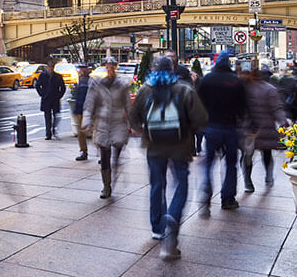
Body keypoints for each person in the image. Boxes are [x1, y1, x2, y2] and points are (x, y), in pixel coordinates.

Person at [130, 56, 207, 261]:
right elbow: (200, 119)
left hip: (154, 146)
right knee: (181, 183)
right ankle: (172, 219)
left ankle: (157, 227)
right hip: (180, 146)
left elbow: (134, 121)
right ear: (173, 69)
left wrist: (146, 129)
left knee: (157, 184)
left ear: (154, 68)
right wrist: (188, 130)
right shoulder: (184, 89)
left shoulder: (145, 90)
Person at [197, 50, 247, 212]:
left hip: (211, 127)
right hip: (230, 128)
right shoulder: (235, 81)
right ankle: (228, 198)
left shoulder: (207, 80)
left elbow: (198, 104)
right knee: (231, 164)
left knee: (208, 161)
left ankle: (206, 187)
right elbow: (242, 109)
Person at [82, 57, 131, 199]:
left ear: (115, 67)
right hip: (103, 124)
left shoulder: (122, 85)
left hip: (118, 122)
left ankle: (115, 167)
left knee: (117, 149)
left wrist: (134, 122)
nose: (110, 69)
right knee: (104, 154)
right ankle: (106, 185)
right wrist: (87, 120)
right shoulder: (97, 84)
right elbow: (90, 103)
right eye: (108, 66)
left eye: (113, 66)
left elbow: (127, 104)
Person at [242, 61, 287, 192]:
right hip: (266, 128)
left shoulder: (246, 89)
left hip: (250, 130)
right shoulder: (270, 89)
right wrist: (283, 122)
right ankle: (268, 176)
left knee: (248, 155)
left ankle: (248, 182)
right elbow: (277, 109)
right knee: (266, 153)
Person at [36, 57, 65, 140]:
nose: (51, 68)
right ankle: (48, 133)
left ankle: (53, 130)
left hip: (55, 99)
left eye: (52, 67)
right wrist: (42, 94)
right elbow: (38, 85)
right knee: (47, 117)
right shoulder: (43, 75)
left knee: (56, 115)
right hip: (46, 99)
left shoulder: (58, 76)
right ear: (47, 67)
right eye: (49, 67)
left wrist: (59, 96)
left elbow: (62, 88)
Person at [71, 63, 91, 161]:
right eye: (81, 69)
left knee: (96, 132)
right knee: (80, 132)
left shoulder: (91, 81)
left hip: (89, 110)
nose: (82, 71)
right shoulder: (79, 80)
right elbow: (78, 96)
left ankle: (102, 153)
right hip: (80, 109)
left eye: (84, 69)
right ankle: (83, 151)